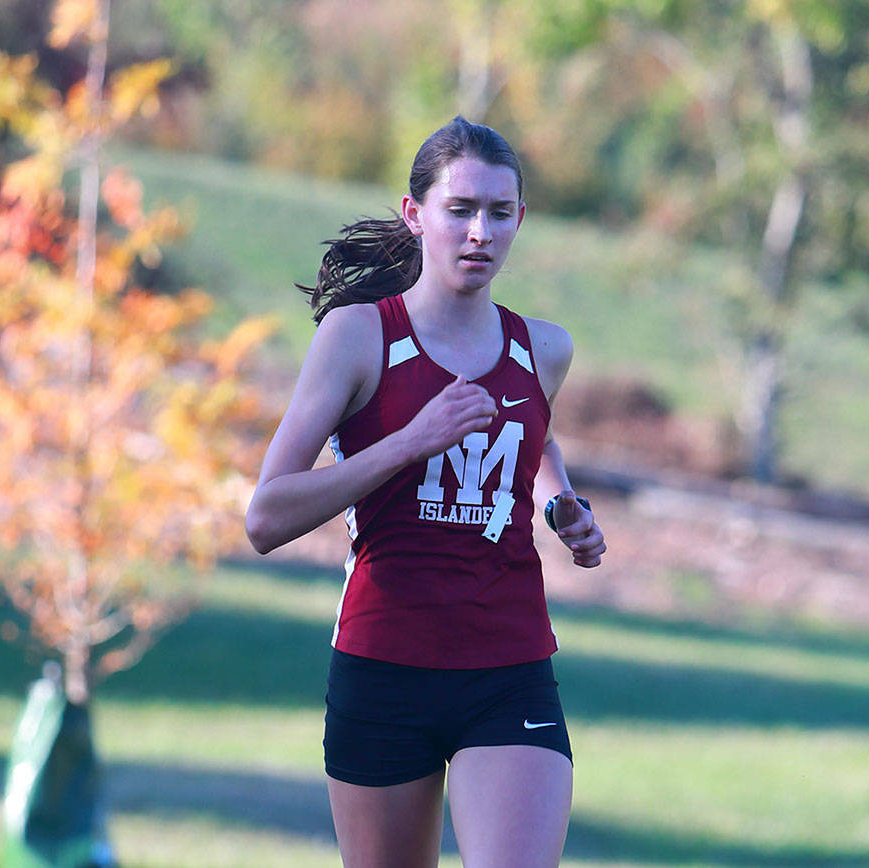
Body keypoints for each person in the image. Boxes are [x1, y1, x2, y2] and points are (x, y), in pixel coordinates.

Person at [245, 115, 606, 868]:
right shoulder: (357, 337)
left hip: (509, 668)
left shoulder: (544, 349)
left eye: (499, 213)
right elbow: (266, 515)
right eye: (461, 210)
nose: (480, 233)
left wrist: (560, 503)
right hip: (386, 668)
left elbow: (532, 430)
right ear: (416, 215)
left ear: (520, 220)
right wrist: (410, 440)